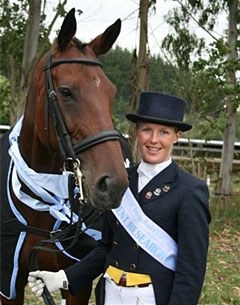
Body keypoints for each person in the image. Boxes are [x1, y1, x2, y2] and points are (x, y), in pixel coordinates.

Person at [28, 91, 211, 305]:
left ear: (176, 136)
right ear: (136, 132)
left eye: (164, 132)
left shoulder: (189, 190)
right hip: (110, 294)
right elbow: (106, 248)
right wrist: (64, 278)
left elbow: (191, 270)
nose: (154, 139)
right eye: (146, 130)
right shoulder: (121, 181)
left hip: (152, 297)